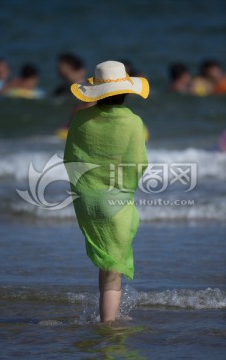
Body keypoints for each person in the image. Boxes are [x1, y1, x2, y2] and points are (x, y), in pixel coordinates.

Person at [64, 60, 149, 323]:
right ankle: (109, 327)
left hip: (87, 199)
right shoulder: (133, 122)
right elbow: (138, 164)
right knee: (114, 269)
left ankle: (109, 314)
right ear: (126, 91)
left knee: (107, 259)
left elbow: (71, 159)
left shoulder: (79, 118)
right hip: (116, 200)